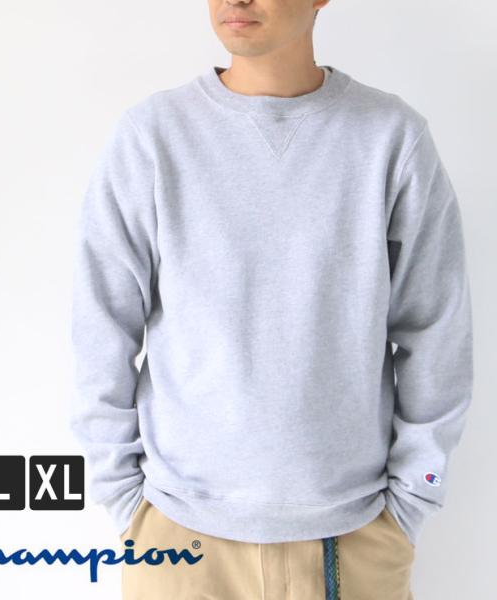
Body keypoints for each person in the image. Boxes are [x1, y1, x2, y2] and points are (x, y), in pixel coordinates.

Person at [70, 1, 474, 598]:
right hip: (177, 538)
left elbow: (435, 328)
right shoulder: (153, 136)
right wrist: (123, 499)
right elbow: (102, 324)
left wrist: (415, 496)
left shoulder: (391, 137)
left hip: (354, 535)